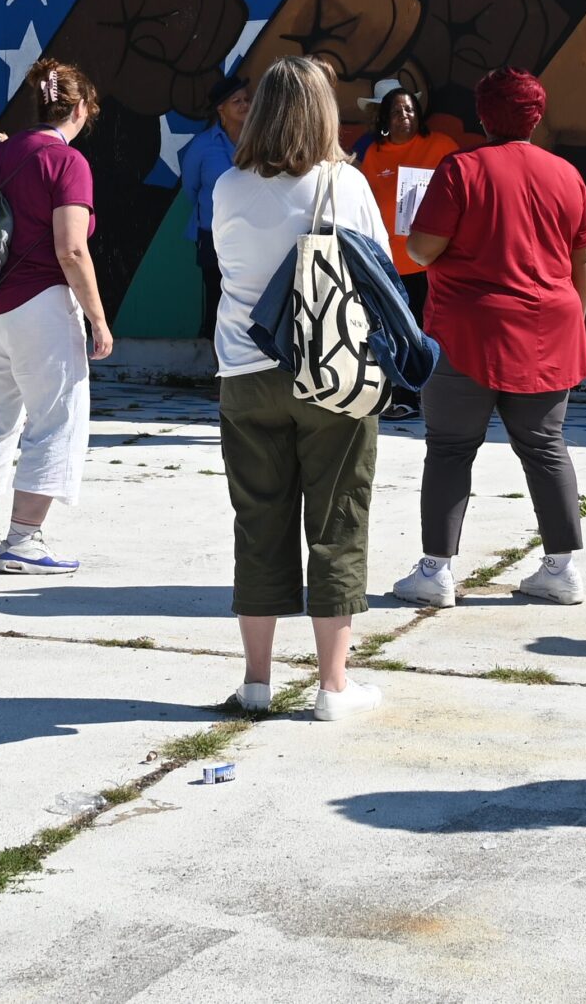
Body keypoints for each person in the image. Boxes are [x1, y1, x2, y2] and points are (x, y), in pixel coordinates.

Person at [208, 56, 393, 719]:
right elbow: (381, 274)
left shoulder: (228, 185)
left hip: (245, 372)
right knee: (337, 521)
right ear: (324, 112)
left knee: (259, 523)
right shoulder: (345, 185)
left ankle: (256, 683)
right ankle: (333, 688)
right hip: (331, 372)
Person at [390, 69, 586, 609]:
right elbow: (584, 258)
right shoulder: (566, 174)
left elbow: (423, 250)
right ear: (537, 115)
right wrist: (573, 318)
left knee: (451, 448)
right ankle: (562, 568)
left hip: (466, 331)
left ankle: (436, 571)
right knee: (546, 448)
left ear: (484, 115)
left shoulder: (461, 168)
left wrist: (415, 229)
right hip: (548, 330)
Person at [0, 58, 114, 576]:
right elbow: (71, 250)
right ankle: (25, 542)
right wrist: (99, 320)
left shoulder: (7, 152)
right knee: (56, 419)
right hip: (42, 307)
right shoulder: (67, 161)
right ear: (79, 108)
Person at [353, 81, 461, 421]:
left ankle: (431, 392)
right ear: (384, 117)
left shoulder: (441, 146)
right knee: (394, 331)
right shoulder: (373, 154)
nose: (405, 116)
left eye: (410, 110)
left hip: (431, 259)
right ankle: (402, 394)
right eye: (397, 111)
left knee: (429, 330)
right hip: (387, 262)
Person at [181, 74, 250, 339]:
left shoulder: (259, 144)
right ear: (221, 109)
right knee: (216, 302)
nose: (245, 105)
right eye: (237, 101)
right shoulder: (203, 146)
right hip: (213, 236)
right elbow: (192, 188)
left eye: (246, 100)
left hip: (251, 237)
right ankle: (218, 372)